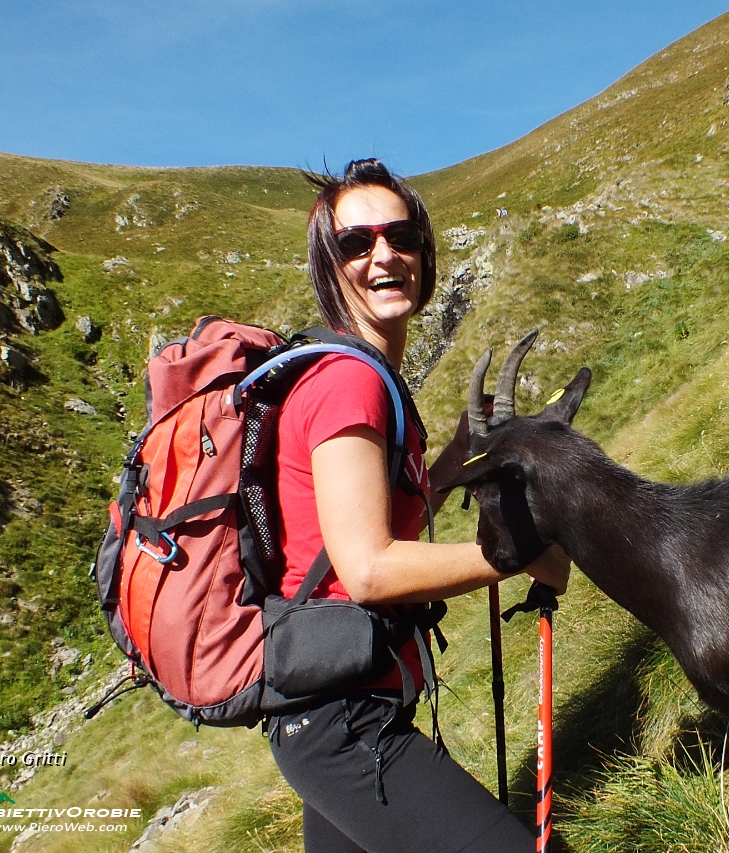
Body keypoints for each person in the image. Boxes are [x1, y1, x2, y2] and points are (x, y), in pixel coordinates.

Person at [269, 158, 571, 852]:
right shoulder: (348, 382)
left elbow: (383, 511)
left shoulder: (371, 380)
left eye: (401, 236)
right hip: (344, 727)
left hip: (330, 718)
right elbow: (368, 567)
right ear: (328, 263)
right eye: (356, 242)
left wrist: (462, 451)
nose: (384, 254)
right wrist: (516, 556)